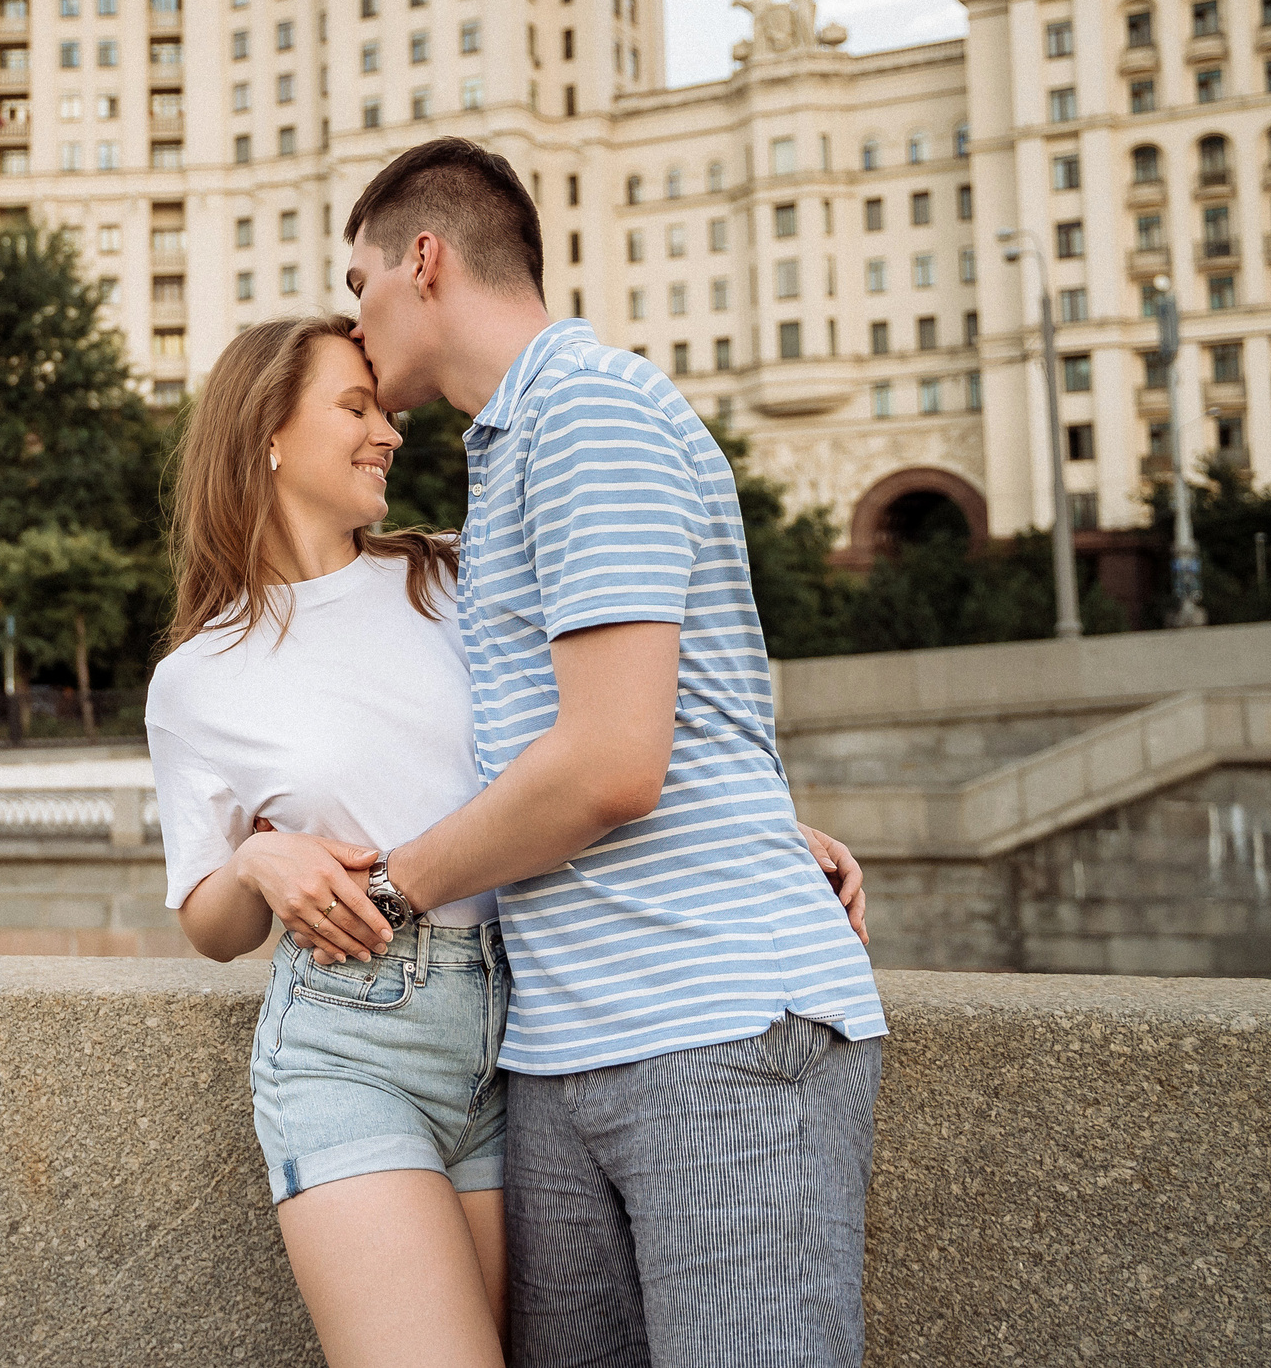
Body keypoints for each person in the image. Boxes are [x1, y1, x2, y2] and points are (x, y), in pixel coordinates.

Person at [146, 312, 870, 1368]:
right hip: (354, 1041)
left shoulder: (450, 576)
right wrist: (256, 863)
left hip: (523, 1042)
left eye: (383, 410)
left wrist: (753, 825)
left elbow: (595, 732)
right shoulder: (196, 677)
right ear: (265, 431)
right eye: (354, 408)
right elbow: (208, 926)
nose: (388, 432)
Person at [338, 136, 890, 1368]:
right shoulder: (514, 446)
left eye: (360, 282)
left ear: (422, 260)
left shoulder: (590, 409)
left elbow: (607, 765)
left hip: (711, 1026)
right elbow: (607, 731)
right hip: (561, 1045)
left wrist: (391, 892)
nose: (356, 319)